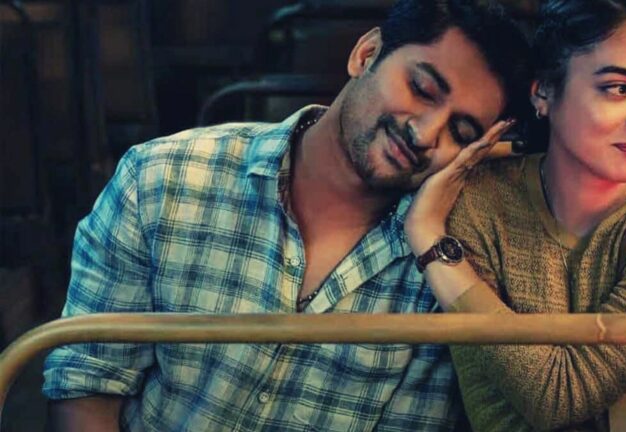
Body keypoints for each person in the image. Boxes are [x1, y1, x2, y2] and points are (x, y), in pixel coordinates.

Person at [41, 1, 533, 430]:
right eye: (421, 89)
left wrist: (431, 241)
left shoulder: (453, 262)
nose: (425, 134)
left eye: (461, 132)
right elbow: (87, 384)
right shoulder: (164, 175)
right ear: (366, 54)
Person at [404, 0, 626, 430]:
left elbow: (556, 398)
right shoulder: (480, 203)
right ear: (543, 91)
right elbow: (494, 414)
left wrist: (429, 239)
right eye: (619, 88)